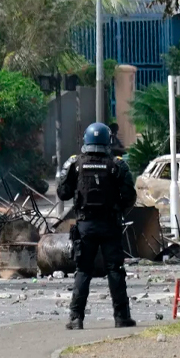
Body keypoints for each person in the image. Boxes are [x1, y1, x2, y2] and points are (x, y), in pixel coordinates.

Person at [57, 122, 137, 330]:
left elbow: (62, 193)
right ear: (107, 140)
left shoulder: (75, 164)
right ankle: (121, 318)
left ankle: (76, 318)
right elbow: (130, 196)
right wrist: (118, 209)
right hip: (110, 224)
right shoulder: (117, 164)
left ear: (86, 140)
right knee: (115, 270)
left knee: (83, 271)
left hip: (85, 226)